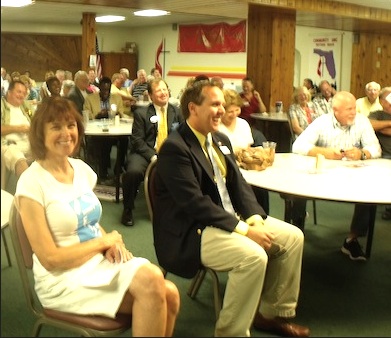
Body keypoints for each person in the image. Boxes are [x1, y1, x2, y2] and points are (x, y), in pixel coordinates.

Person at [153, 80, 309, 337]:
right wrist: (245, 231)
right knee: (253, 257)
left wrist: (255, 220)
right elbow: (195, 204)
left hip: (229, 220)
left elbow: (239, 186)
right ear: (193, 108)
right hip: (194, 230)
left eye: (223, 105)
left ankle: (272, 315)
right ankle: (230, 333)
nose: (222, 110)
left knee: (293, 238)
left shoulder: (219, 139)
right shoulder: (175, 148)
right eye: (214, 104)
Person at [14, 96, 180, 336]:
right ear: (40, 133)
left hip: (96, 262)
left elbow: (90, 222)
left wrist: (107, 244)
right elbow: (50, 259)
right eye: (56, 127)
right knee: (153, 279)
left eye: (71, 125)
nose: (66, 133)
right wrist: (104, 242)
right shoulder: (31, 183)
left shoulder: (80, 169)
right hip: (61, 279)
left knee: (171, 295)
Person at [292, 91, 382, 260]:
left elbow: (375, 148)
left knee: (369, 192)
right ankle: (296, 232)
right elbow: (298, 146)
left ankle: (352, 240)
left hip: (353, 174)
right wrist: (324, 152)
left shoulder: (362, 122)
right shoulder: (321, 122)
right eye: (349, 109)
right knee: (297, 185)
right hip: (322, 175)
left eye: (354, 108)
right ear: (335, 110)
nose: (354, 112)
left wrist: (362, 153)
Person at [121, 79, 183, 227]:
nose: (163, 93)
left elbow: (182, 136)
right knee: (133, 172)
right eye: (158, 91)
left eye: (164, 89)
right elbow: (137, 141)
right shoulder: (141, 113)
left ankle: (180, 209)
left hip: (170, 154)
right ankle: (128, 209)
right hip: (145, 152)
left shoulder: (177, 112)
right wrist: (153, 156)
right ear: (150, 95)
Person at [219, 88, 270, 213]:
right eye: (230, 111)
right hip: (227, 170)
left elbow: (247, 148)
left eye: (237, 109)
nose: (235, 114)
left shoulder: (243, 124)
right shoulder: (216, 127)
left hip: (246, 166)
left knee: (261, 188)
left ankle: (262, 215)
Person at [83, 76, 128, 183]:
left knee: (124, 140)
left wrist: (117, 113)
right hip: (97, 131)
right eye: (103, 89)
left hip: (114, 128)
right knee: (103, 142)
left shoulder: (116, 98)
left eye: (107, 90)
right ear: (99, 89)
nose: (105, 92)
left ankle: (118, 167)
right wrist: (98, 115)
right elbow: (86, 113)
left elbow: (121, 112)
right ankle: (103, 171)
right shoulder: (90, 98)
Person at [1, 79, 33, 180]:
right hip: (8, 145)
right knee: (19, 159)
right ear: (9, 92)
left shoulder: (26, 107)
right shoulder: (2, 105)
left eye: (24, 93)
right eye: (19, 92)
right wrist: (18, 128)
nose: (22, 95)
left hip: (29, 144)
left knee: (49, 151)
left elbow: (35, 121)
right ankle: (30, 189)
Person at [368, 86, 391, 221]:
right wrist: (388, 123)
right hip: (385, 156)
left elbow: (382, 129)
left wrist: (383, 127)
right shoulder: (377, 114)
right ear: (382, 101)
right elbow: (370, 124)